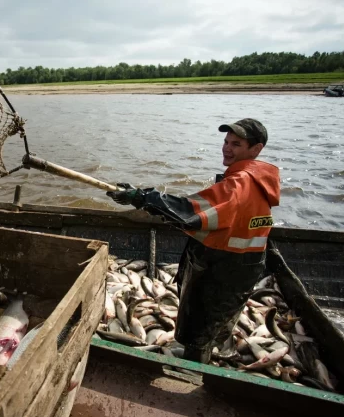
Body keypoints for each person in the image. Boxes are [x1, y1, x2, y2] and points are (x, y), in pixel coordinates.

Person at [106, 118, 280, 364]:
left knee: (199, 328)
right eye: (226, 142)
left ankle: (194, 372)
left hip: (222, 268)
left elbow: (190, 213)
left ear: (256, 149)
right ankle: (216, 351)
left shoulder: (240, 183)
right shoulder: (259, 178)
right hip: (246, 266)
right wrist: (143, 197)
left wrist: (143, 198)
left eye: (236, 144)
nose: (227, 148)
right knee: (219, 321)